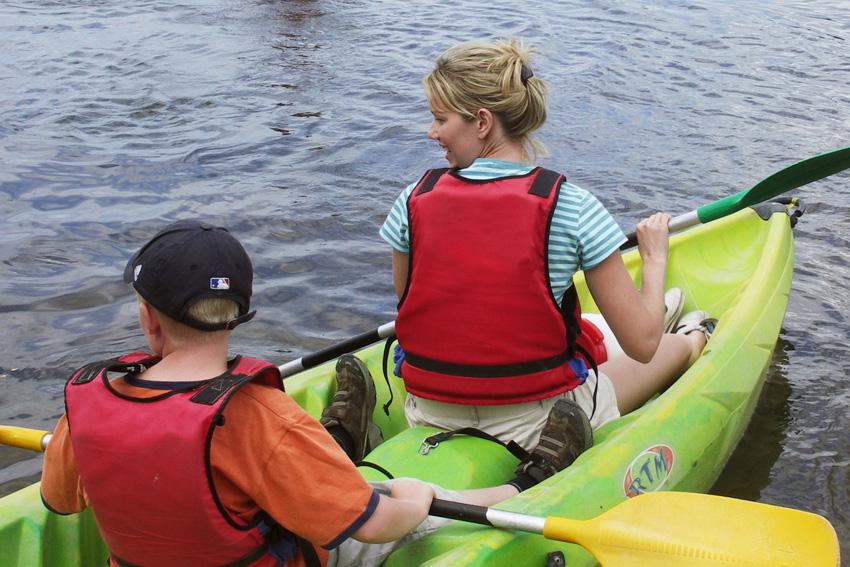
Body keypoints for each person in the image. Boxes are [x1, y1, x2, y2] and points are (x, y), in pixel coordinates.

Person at [39, 220, 517, 567]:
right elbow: (372, 525)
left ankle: (337, 441)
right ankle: (519, 491)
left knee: (317, 484)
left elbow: (60, 499)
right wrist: (413, 502)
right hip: (291, 547)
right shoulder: (257, 414)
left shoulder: (89, 397)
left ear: (147, 317)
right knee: (395, 495)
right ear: (237, 316)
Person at [379, 39, 715, 492]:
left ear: (481, 122)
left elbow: (410, 305)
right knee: (657, 348)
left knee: (587, 329)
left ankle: (668, 314)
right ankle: (697, 336)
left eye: (440, 119)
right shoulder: (573, 207)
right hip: (535, 422)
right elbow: (642, 345)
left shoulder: (411, 200)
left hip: (428, 407)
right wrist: (654, 259)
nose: (431, 132)